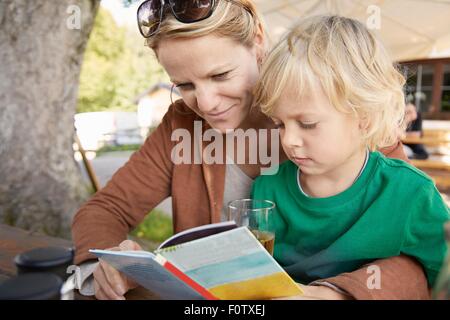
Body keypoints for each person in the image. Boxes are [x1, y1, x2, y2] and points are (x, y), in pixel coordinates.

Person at [72, 0, 429, 300]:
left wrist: (338, 292)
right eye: (184, 84)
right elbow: (107, 208)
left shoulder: (338, 104)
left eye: (221, 75)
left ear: (257, 40)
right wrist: (106, 262)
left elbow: (414, 252)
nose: (207, 103)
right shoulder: (181, 124)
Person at [251, 15, 450, 297]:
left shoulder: (410, 194)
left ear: (364, 119)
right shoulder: (267, 188)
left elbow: (443, 272)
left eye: (307, 124)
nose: (289, 140)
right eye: (279, 124)